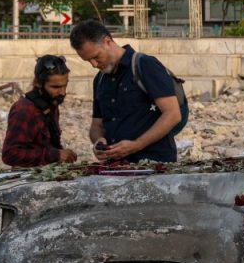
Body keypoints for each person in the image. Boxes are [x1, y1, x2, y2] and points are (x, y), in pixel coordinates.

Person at [69, 19, 182, 164]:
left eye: (96, 57)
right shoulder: (100, 79)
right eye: (88, 61)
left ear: (107, 42)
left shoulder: (145, 65)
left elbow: (173, 114)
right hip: (116, 166)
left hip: (154, 164)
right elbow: (97, 125)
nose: (94, 65)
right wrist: (98, 141)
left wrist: (137, 145)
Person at [1, 55, 79, 167]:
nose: (62, 92)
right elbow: (10, 155)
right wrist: (55, 155)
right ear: (38, 83)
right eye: (55, 87)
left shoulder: (51, 103)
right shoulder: (24, 109)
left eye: (65, 86)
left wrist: (61, 154)